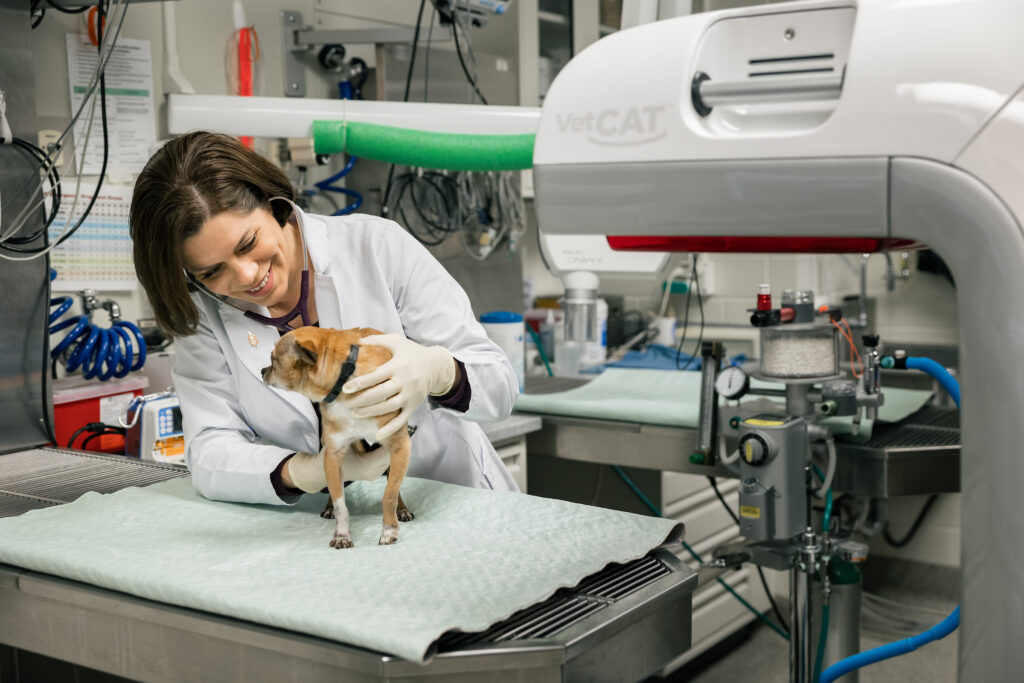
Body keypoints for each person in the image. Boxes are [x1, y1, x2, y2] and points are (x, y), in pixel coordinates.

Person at [129, 131, 520, 505]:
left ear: (273, 203)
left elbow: (498, 386)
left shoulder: (377, 247)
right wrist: (304, 472)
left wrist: (438, 371)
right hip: (328, 526)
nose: (246, 276)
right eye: (212, 272)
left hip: (449, 497)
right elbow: (211, 450)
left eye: (248, 244)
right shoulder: (205, 316)